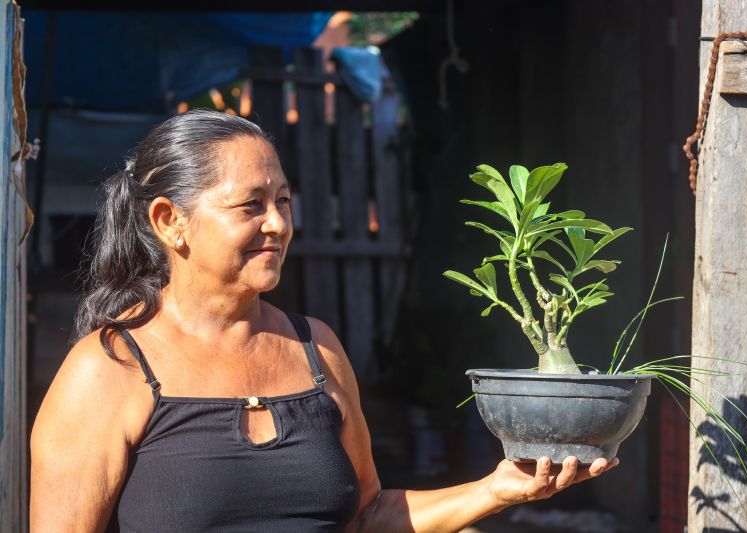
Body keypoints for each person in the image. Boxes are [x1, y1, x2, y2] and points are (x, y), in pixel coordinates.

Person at [29, 109, 617, 532]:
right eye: (250, 205)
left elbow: (368, 514)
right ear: (169, 221)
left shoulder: (315, 348)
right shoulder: (109, 371)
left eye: (283, 201)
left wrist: (497, 489)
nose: (279, 224)